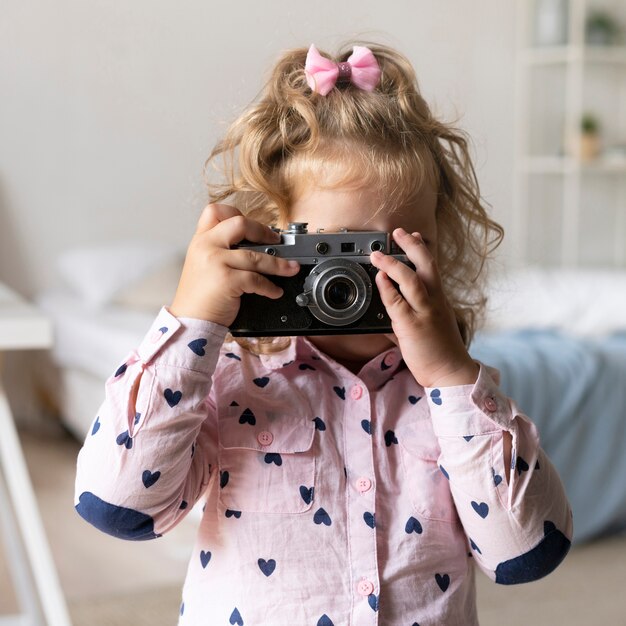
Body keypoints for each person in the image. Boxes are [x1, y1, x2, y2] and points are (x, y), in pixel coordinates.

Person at [74, 42, 573, 625]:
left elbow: (527, 553)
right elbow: (118, 506)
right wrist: (192, 322)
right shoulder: (233, 383)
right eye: (336, 251)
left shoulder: (459, 409)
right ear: (272, 247)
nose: (361, 280)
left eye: (397, 252)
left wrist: (453, 378)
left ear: (440, 249)